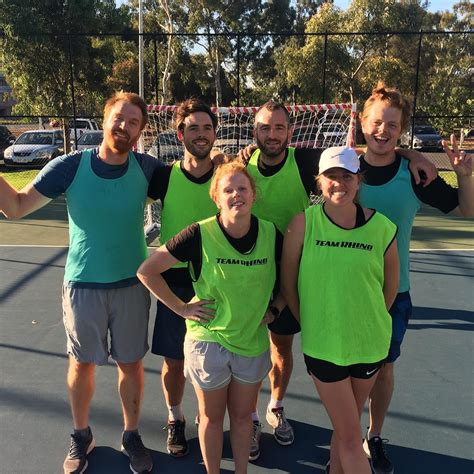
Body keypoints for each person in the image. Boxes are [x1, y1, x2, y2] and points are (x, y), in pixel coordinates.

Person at [243, 100, 435, 457]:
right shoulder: (239, 164)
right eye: (265, 128)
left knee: (282, 353)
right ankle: (251, 418)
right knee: (251, 353)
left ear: (291, 132)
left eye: (279, 128)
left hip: (298, 277)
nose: (272, 134)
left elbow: (363, 151)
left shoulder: (303, 161)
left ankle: (277, 407)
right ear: (253, 131)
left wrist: (410, 154)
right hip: (249, 277)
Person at [0, 91, 160, 474]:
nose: (125, 126)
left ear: (140, 131)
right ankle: (80, 433)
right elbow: (17, 207)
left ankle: (132, 434)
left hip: (132, 286)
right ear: (105, 119)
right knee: (81, 365)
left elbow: (194, 185)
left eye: (134, 122)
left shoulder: (148, 168)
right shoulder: (70, 166)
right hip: (83, 285)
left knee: (131, 365)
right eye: (119, 118)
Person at [137, 160, 285, 474]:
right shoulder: (198, 234)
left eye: (242, 188)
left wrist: (276, 308)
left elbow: (292, 279)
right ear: (216, 197)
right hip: (209, 342)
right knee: (212, 418)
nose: (236, 195)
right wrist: (181, 308)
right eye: (227, 190)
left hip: (251, 341)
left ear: (253, 194)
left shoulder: (272, 234)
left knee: (244, 419)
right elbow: (147, 271)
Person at [358, 82, 473, 474]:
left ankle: (372, 436)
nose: (383, 130)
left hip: (394, 293)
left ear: (400, 128)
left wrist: (462, 174)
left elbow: (465, 211)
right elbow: (288, 155)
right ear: (362, 123)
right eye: (376, 122)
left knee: (384, 368)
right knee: (347, 371)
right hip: (345, 291)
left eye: (392, 124)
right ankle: (345, 438)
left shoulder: (417, 174)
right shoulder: (345, 168)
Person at [281, 146, 400, 474]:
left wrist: (368, 319)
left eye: (346, 176)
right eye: (331, 176)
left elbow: (390, 287)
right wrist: (312, 320)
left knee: (344, 427)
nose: (339, 183)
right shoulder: (303, 224)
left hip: (369, 344)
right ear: (319, 182)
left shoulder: (383, 228)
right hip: (324, 345)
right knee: (350, 437)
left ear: (358, 180)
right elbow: (288, 281)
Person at [147, 98, 219, 457]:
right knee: (174, 361)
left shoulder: (226, 175)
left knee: (227, 357)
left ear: (215, 133)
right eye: (193, 128)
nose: (201, 134)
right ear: (180, 134)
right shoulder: (163, 176)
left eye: (207, 128)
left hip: (220, 282)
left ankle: (239, 419)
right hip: (175, 283)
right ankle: (176, 417)